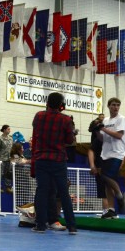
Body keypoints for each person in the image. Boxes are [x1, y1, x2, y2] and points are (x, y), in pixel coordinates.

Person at [30, 92, 77, 234]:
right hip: (58, 160)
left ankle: (40, 225)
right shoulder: (66, 119)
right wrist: (72, 133)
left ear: (47, 102)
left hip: (42, 159)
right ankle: (72, 226)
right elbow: (69, 141)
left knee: (42, 191)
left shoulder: (38, 116)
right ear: (61, 105)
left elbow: (36, 132)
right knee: (63, 193)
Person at [99, 97, 125, 219]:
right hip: (106, 153)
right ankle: (111, 209)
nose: (116, 107)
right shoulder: (105, 120)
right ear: (108, 106)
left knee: (106, 176)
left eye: (118, 105)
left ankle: (120, 196)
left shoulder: (121, 119)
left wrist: (103, 128)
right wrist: (96, 131)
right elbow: (102, 138)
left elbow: (118, 135)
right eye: (113, 105)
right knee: (106, 183)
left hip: (117, 152)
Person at [87, 115, 109, 214]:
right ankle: (106, 211)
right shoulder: (97, 140)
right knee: (102, 191)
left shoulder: (112, 139)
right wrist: (92, 165)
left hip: (109, 166)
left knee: (108, 189)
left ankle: (118, 196)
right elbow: (91, 151)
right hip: (100, 166)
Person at [0, 125, 14, 193]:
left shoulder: (11, 138)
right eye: (8, 129)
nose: (9, 130)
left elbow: (13, 149)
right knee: (1, 174)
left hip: (10, 159)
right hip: (2, 159)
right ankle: (0, 187)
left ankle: (8, 188)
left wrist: (16, 158)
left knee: (9, 174)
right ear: (4, 130)